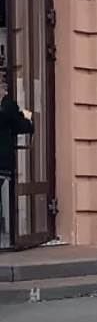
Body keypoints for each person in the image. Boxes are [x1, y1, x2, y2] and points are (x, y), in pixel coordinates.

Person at [0, 89, 34, 248]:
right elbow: (20, 125)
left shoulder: (7, 107)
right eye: (3, 86)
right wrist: (26, 118)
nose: (6, 90)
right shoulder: (8, 107)